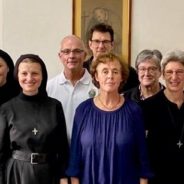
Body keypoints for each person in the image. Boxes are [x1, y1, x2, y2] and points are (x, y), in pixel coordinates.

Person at [66, 53, 152, 184]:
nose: (110, 76)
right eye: (105, 71)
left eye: (115, 71)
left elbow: (143, 161)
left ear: (122, 77)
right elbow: (74, 161)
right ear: (96, 76)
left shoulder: (134, 111)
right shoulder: (83, 111)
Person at [0, 54, 69, 184]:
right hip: (17, 173)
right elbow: (1, 152)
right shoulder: (6, 108)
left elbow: (62, 147)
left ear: (43, 76)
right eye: (24, 73)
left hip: (49, 172)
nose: (29, 78)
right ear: (17, 76)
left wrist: (63, 176)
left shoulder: (54, 106)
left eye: (35, 73)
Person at [141, 50, 184, 184]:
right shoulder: (146, 107)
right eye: (169, 72)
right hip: (158, 178)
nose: (174, 77)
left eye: (179, 72)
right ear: (162, 75)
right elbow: (141, 151)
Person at [47, 35, 97, 142]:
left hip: (88, 151)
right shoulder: (49, 88)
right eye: (66, 51)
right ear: (60, 56)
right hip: (57, 153)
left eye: (77, 51)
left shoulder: (98, 87)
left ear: (85, 55)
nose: (71, 56)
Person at [83, 23, 139, 92]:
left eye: (105, 42)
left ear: (112, 44)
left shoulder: (128, 72)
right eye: (97, 41)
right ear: (90, 44)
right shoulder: (82, 69)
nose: (101, 46)